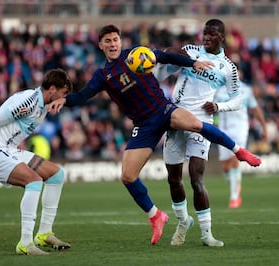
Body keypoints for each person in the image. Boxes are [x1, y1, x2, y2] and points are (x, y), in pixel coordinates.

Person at [48, 24, 261, 246]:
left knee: (196, 125)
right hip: (144, 125)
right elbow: (83, 95)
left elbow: (166, 56)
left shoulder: (138, 53)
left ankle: (239, 151)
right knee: (128, 176)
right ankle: (156, 216)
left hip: (164, 110)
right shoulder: (103, 75)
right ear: (101, 45)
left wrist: (193, 63)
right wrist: (65, 100)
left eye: (115, 40)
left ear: (120, 41)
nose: (112, 44)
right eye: (108, 41)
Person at [153, 19, 244, 247]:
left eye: (212, 34)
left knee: (196, 177)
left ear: (222, 37)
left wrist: (219, 107)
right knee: (174, 179)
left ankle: (207, 234)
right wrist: (182, 58)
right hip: (175, 118)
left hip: (201, 122)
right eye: (205, 33)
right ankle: (183, 222)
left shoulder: (228, 68)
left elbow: (238, 100)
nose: (206, 37)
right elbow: (169, 55)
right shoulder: (192, 51)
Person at [0, 69, 73, 255]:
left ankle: (44, 234)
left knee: (56, 175)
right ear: (52, 89)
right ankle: (25, 243)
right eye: (63, 93)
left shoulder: (44, 104)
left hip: (9, 149)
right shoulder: (29, 102)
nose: (63, 98)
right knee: (34, 181)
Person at [214, 66, 267, 208]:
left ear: (240, 73)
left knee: (234, 159)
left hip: (240, 128)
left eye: (236, 71)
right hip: (223, 130)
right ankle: (235, 184)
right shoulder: (218, 90)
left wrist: (264, 126)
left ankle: (234, 197)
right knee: (225, 166)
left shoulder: (246, 90)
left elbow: (255, 109)